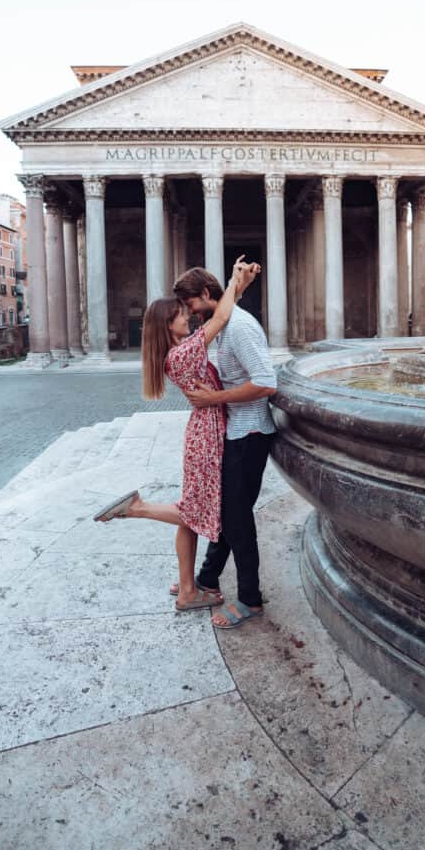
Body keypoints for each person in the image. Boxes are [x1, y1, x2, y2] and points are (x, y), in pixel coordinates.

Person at [94, 256, 259, 613]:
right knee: (197, 512)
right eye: (182, 313)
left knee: (195, 517)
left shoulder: (176, 353)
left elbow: (219, 313)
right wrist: (233, 279)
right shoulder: (182, 354)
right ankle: (138, 508)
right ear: (169, 325)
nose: (189, 315)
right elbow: (221, 317)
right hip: (208, 435)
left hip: (204, 431)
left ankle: (188, 589)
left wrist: (239, 287)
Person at [172, 265, 277, 630]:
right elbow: (224, 308)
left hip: (250, 434)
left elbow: (266, 383)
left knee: (236, 518)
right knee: (229, 513)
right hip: (236, 432)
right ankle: (207, 579)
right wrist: (239, 284)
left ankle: (250, 599)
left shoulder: (241, 327)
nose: (191, 312)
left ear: (204, 293)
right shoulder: (224, 321)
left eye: (191, 304)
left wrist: (215, 397)